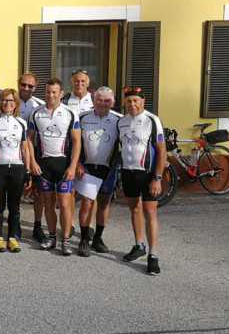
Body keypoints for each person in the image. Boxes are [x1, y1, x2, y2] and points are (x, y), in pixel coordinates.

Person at [27, 78, 81, 256]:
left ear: (61, 94)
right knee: (48, 204)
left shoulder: (70, 113)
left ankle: (65, 240)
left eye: (54, 92)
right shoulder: (36, 113)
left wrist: (73, 166)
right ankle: (51, 237)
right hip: (44, 166)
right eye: (48, 92)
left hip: (63, 164)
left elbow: (77, 141)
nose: (50, 95)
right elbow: (29, 139)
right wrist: (32, 162)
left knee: (65, 204)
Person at [118, 86, 167, 275]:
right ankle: (139, 245)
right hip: (128, 172)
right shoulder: (121, 122)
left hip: (147, 174)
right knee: (134, 209)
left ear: (143, 102)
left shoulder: (152, 120)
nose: (132, 104)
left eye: (136, 101)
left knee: (150, 212)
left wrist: (157, 178)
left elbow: (161, 151)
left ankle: (153, 255)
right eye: (129, 101)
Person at [76, 86, 122, 256]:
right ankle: (84, 239)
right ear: (93, 101)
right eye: (99, 100)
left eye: (107, 100)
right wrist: (77, 163)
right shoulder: (82, 117)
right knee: (87, 203)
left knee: (103, 204)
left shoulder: (119, 120)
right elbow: (74, 142)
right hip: (88, 167)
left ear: (113, 102)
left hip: (108, 169)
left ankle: (98, 238)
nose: (103, 103)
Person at [0, 88, 31, 253]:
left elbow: (25, 149)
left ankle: (13, 237)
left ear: (16, 103)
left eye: (11, 100)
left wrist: (28, 171)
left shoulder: (21, 122)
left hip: (17, 168)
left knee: (14, 206)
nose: (7, 103)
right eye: (4, 100)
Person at [18, 72, 47, 244]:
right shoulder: (9, 101)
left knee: (38, 191)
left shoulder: (40, 105)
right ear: (18, 84)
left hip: (34, 150)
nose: (26, 88)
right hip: (12, 151)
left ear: (35, 88)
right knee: (13, 189)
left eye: (30, 86)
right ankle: (13, 224)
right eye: (23, 84)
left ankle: (37, 225)